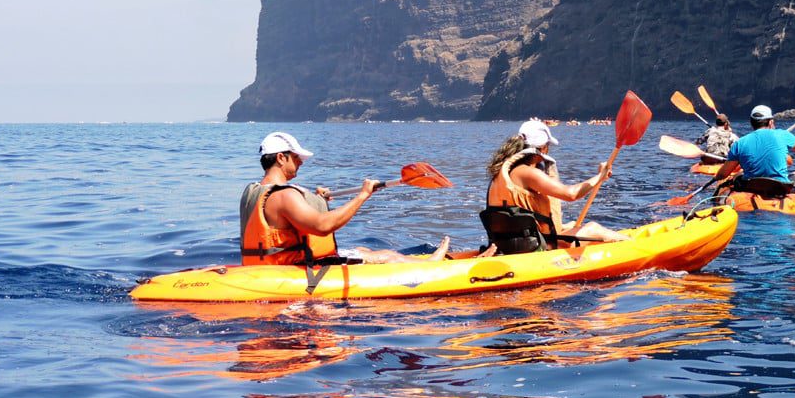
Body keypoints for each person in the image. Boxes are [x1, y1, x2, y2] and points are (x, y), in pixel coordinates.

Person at [240, 132, 452, 269]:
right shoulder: (284, 195)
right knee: (388, 256)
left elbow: (287, 219)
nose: (301, 163)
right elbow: (323, 226)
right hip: (293, 270)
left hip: (266, 266)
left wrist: (317, 200)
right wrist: (363, 195)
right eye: (297, 158)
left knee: (363, 251)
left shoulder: (255, 191)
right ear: (281, 157)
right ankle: (431, 265)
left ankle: (414, 261)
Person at [481, 118, 627, 254]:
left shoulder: (502, 173)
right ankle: (632, 245)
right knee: (593, 228)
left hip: (508, 246)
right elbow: (571, 194)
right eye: (548, 146)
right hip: (535, 249)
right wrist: (600, 176)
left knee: (571, 225)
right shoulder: (528, 173)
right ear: (543, 148)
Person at [715, 105, 795, 197]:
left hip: (751, 186)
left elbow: (723, 174)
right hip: (780, 187)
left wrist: (716, 177)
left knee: (737, 175)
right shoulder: (782, 135)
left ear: (751, 123)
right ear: (771, 122)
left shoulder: (739, 143)